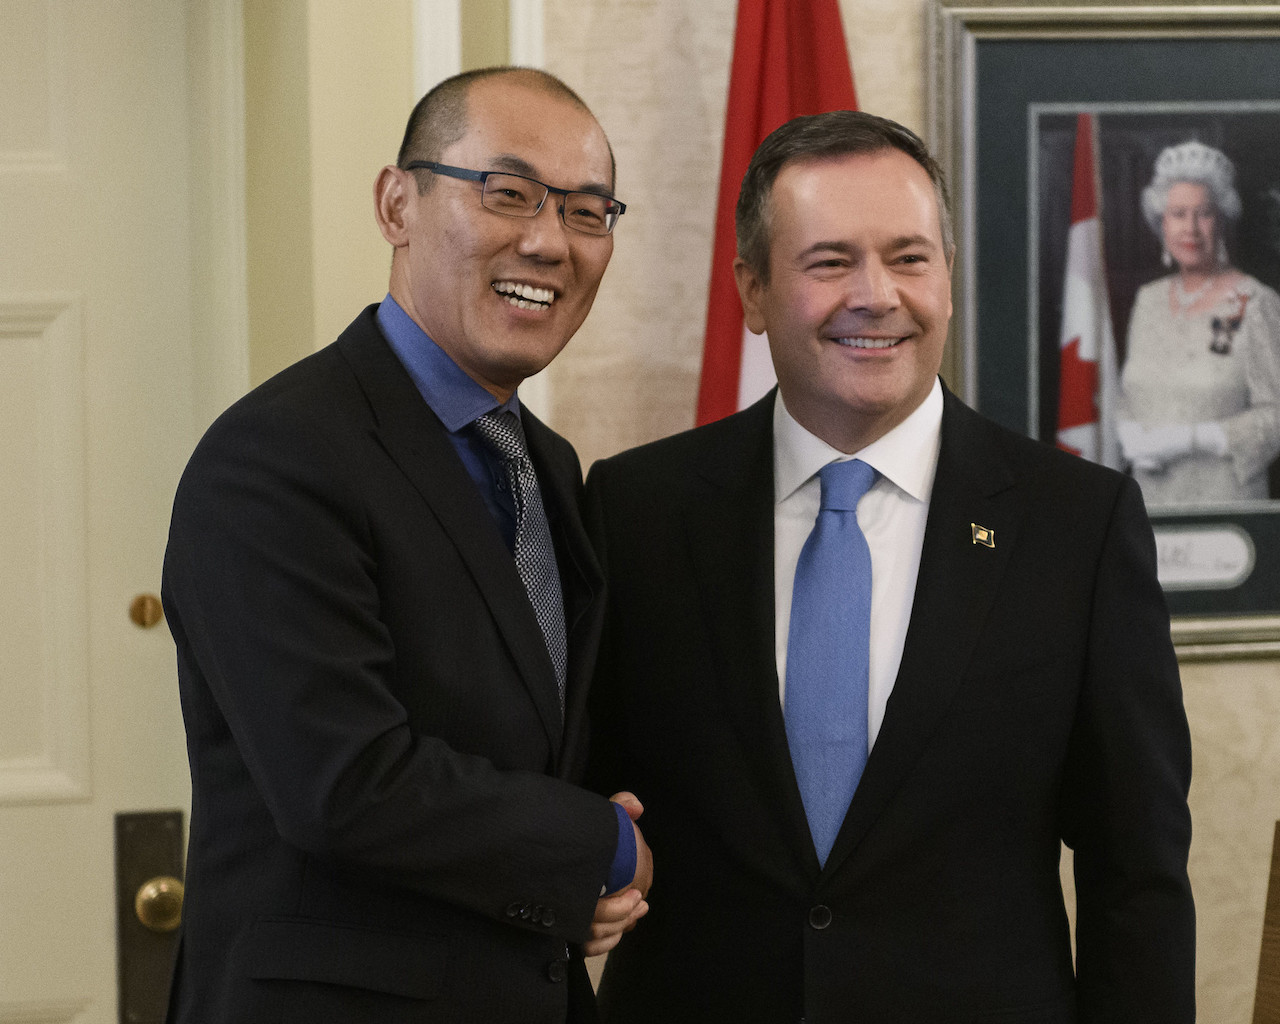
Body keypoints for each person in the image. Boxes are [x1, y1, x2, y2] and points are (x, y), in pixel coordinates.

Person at [585, 111, 1194, 1023]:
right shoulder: (635, 509)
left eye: (910, 258)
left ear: (947, 277)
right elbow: (582, 790)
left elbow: (1136, 873)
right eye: (830, 262)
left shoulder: (1079, 527)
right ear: (752, 291)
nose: (877, 294)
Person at [161, 67, 651, 1024]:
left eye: (589, 212)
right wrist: (598, 847)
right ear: (398, 203)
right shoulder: (276, 457)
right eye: (507, 194)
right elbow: (344, 785)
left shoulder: (545, 465)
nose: (549, 241)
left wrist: (576, 884)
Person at [1118, 139, 1280, 505]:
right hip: (1148, 502)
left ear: (1222, 220)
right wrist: (1125, 429)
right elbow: (1128, 395)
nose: (1190, 227)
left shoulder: (1255, 302)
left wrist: (1192, 439)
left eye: (1203, 213)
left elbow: (1276, 417)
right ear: (1161, 224)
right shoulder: (1148, 300)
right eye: (1177, 214)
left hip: (1224, 503)